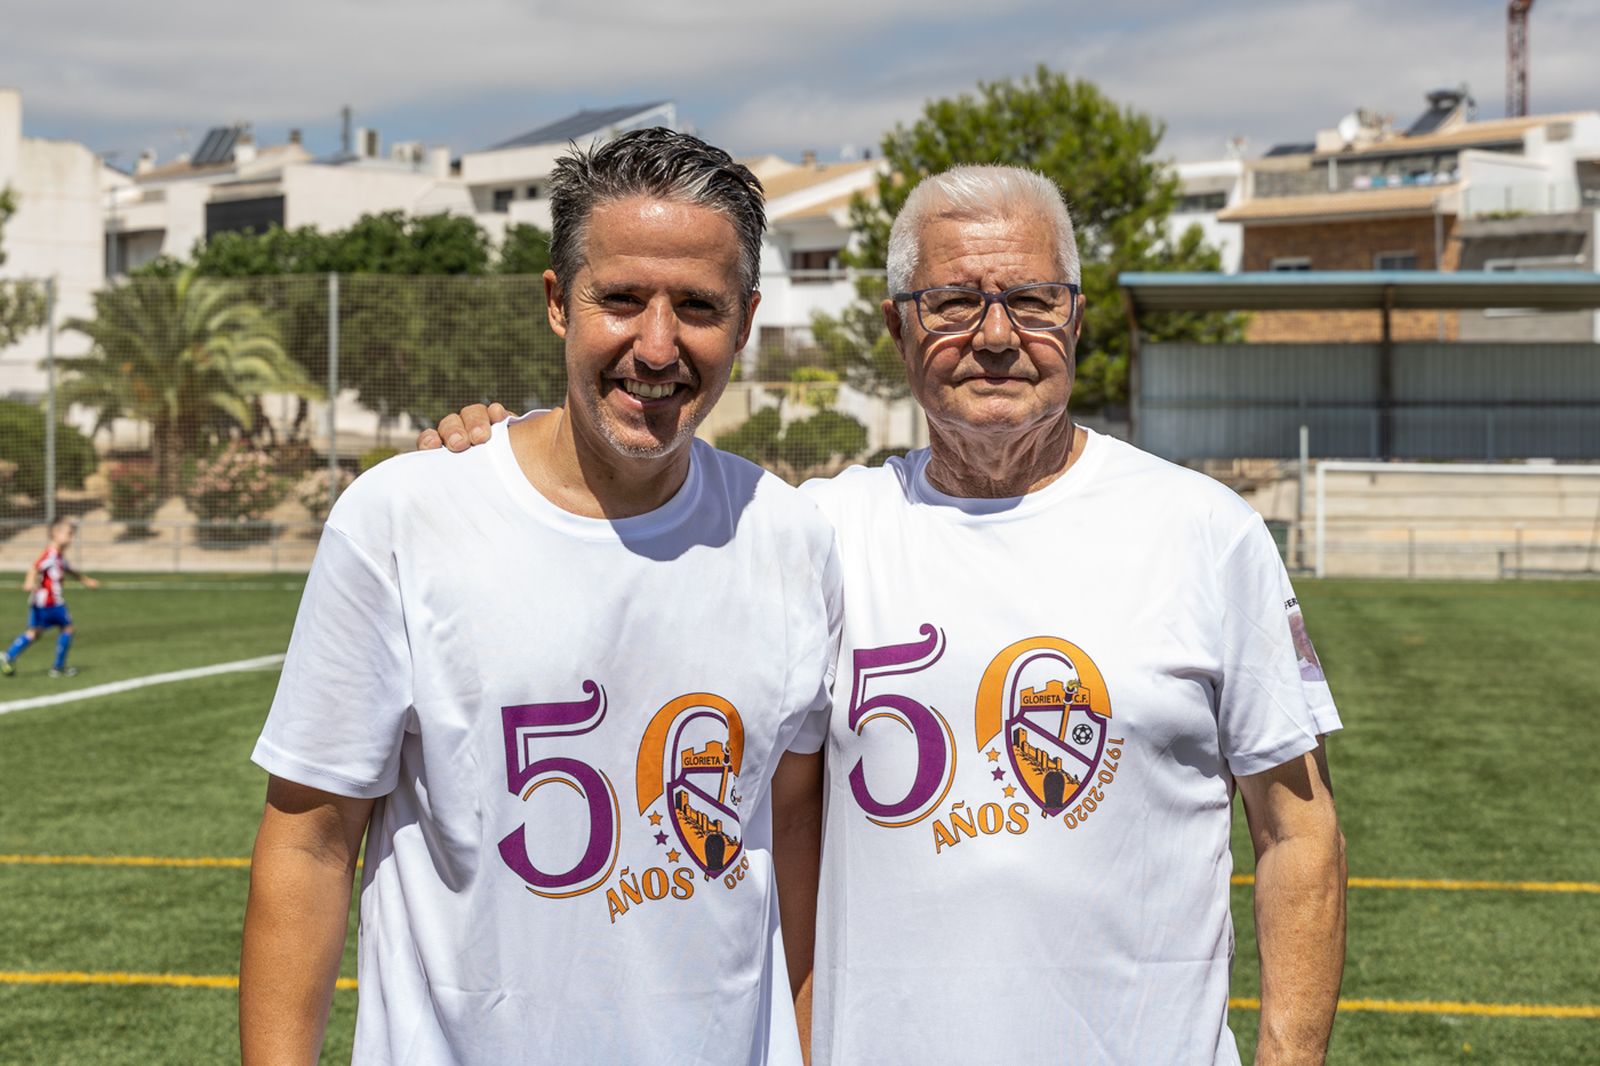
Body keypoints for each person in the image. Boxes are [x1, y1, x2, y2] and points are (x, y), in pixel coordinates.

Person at [425, 165, 1347, 1064]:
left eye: (1030, 300)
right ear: (897, 330)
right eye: (951, 305)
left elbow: (1298, 831)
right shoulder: (813, 535)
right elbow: (620, 527)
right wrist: (503, 448)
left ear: (1075, 316)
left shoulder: (1206, 534)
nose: (996, 336)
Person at [241, 128, 841, 1066]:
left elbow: (796, 829)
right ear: (559, 302)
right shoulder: (407, 516)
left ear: (747, 318)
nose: (657, 345)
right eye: (622, 299)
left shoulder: (795, 538)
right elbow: (310, 842)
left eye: (696, 306)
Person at [1, 516, 99, 679]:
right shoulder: (50, 553)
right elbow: (35, 567)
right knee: (67, 628)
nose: (70, 538)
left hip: (44, 602)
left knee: (35, 632)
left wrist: (86, 580)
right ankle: (58, 667)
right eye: (68, 534)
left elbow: (69, 569)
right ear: (55, 533)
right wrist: (29, 581)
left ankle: (9, 655)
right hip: (49, 601)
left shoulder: (58, 555)